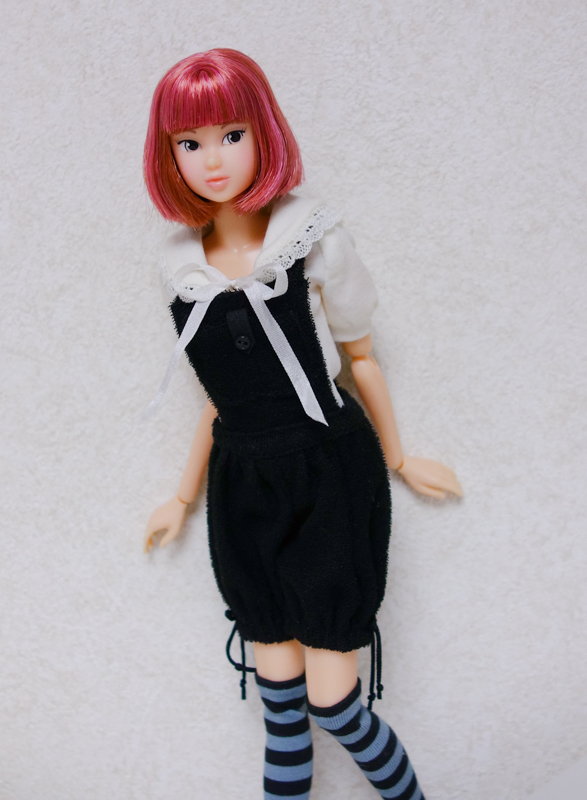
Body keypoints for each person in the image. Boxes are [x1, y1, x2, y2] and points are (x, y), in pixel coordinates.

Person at [142, 48, 462, 800]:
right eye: (190, 143)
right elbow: (219, 399)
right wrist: (182, 497)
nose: (212, 160)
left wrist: (398, 456)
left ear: (264, 134)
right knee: (280, 707)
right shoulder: (181, 271)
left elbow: (359, 355)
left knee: (335, 704)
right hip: (242, 487)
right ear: (168, 155)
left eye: (232, 135)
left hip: (328, 475)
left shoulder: (312, 241)